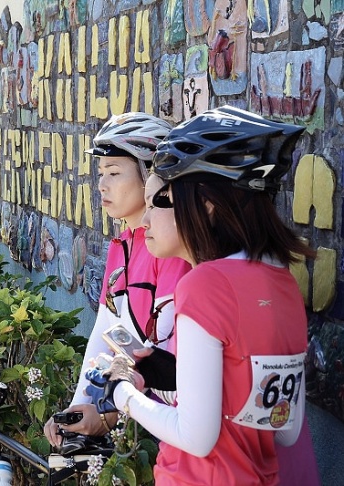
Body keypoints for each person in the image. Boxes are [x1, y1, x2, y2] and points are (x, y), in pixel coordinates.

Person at [90, 106, 317, 485]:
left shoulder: (204, 284)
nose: (145, 220)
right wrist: (176, 373)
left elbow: (196, 436)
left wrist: (122, 392)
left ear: (207, 206)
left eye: (157, 202)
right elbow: (283, 427)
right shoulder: (281, 282)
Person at [43, 113, 191, 450]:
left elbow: (163, 351)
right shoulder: (122, 245)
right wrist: (81, 406)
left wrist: (107, 411)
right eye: (100, 174)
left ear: (151, 177)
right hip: (136, 415)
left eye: (114, 173)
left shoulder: (173, 251)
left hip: (169, 426)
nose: (101, 185)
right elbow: (107, 332)